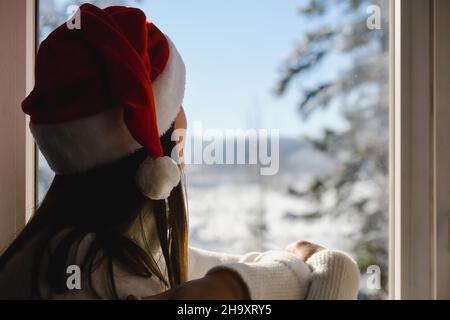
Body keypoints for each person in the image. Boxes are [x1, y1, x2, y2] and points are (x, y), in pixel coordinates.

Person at [0, 4, 359, 300]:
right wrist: (331, 266)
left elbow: (199, 265)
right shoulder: (99, 276)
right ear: (155, 158)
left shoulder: (65, 250)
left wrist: (294, 260)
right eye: (178, 105)